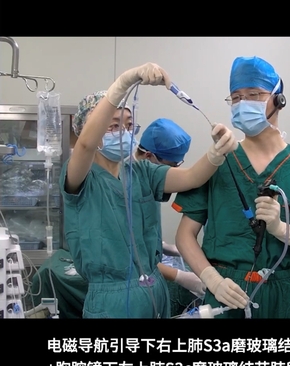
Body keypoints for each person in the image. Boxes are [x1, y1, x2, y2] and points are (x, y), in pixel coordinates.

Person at [173, 56, 290, 318]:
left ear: (279, 99)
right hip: (227, 290)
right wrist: (212, 279)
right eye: (236, 97)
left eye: (254, 94)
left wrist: (281, 230)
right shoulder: (218, 163)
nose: (243, 103)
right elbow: (185, 235)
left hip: (283, 295)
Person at [61, 62, 238, 319]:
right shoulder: (81, 177)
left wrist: (216, 152)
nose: (123, 132)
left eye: (128, 125)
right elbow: (86, 145)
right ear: (91, 129)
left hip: (153, 289)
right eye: (112, 126)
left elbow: (191, 177)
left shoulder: (141, 171)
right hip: (112, 299)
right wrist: (124, 82)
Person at [131, 118, 206, 312]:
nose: (173, 172)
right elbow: (130, 256)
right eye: (170, 166)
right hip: (132, 290)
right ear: (149, 156)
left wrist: (163, 247)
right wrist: (180, 276)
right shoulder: (126, 187)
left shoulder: (146, 184)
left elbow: (143, 233)